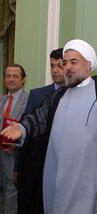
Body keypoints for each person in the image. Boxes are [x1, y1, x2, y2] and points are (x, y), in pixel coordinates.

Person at [0, 39, 97, 214]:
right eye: (65, 63)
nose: (68, 67)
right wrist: (22, 128)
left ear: (88, 65)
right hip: (55, 169)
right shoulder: (58, 95)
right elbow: (39, 116)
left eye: (74, 62)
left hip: (87, 172)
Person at [17, 48, 65, 214]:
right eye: (52, 66)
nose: (55, 70)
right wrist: (18, 167)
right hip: (37, 164)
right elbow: (25, 130)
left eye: (59, 65)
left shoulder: (76, 94)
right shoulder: (37, 94)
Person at [0, 64, 29, 214]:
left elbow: (31, 131)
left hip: (15, 157)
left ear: (23, 79)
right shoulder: (1, 100)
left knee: (11, 196)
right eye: (8, 76)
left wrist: (17, 146)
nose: (11, 79)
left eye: (15, 76)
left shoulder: (30, 100)